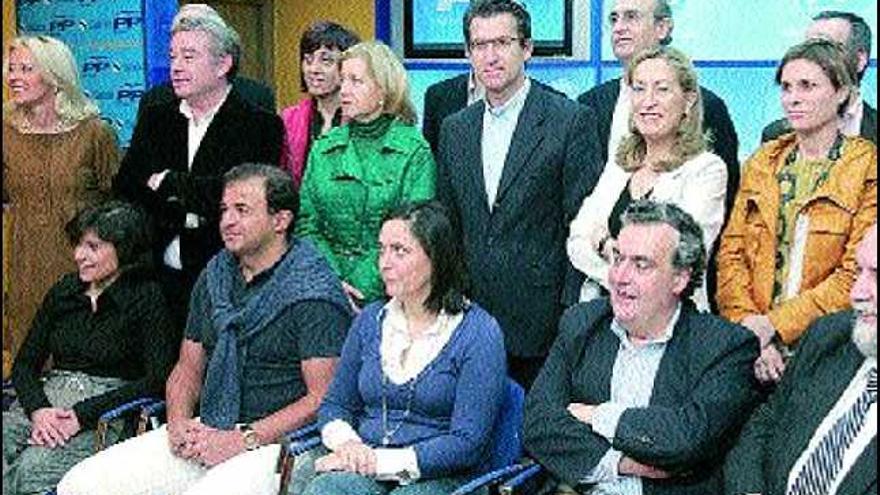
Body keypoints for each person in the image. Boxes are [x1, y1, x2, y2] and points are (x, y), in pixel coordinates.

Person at [58, 164, 352, 495]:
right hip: (211, 425)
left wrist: (243, 439)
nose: (227, 221)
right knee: (82, 484)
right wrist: (180, 422)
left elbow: (322, 398)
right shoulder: (215, 275)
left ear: (280, 220)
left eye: (242, 210)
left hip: (283, 443)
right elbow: (187, 368)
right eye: (224, 210)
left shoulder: (311, 292)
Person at [524, 201, 761, 494]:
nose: (620, 277)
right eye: (617, 258)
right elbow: (538, 422)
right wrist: (621, 462)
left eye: (641, 264)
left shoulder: (725, 348)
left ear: (680, 278)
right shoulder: (582, 324)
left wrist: (597, 416)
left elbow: (685, 438)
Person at [436, 0, 601, 390]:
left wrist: (571, 316)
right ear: (467, 53)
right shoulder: (455, 128)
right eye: (479, 45)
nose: (490, 56)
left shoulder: (570, 120)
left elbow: (580, 224)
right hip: (468, 316)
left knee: (532, 439)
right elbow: (447, 222)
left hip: (542, 325)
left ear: (526, 49)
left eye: (502, 43)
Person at [299, 200, 507, 495]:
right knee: (326, 489)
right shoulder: (370, 320)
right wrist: (349, 445)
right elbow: (336, 405)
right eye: (382, 249)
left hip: (444, 476)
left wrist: (377, 462)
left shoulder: (479, 332)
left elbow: (467, 443)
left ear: (437, 257)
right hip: (365, 464)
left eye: (400, 251)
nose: (384, 262)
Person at [113, 4, 284, 331]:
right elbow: (128, 187)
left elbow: (240, 199)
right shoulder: (157, 116)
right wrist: (196, 195)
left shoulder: (260, 125)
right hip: (159, 278)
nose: (176, 67)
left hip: (228, 278)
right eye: (173, 56)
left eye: (188, 57)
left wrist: (171, 184)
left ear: (223, 63)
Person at [716, 38, 877, 386]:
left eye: (808, 86)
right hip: (751, 348)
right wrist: (752, 332)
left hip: (830, 349)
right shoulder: (762, 161)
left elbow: (854, 273)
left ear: (841, 93)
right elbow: (731, 256)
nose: (793, 97)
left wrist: (775, 325)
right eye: (787, 87)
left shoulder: (867, 166)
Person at [3, 201, 177, 495]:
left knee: (30, 473)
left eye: (92, 247)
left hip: (105, 409)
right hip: (46, 400)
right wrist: (39, 410)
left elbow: (157, 379)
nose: (78, 256)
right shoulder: (64, 292)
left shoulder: (147, 298)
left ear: (123, 249)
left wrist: (81, 415)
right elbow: (24, 365)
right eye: (78, 246)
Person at [567, 46, 726, 311]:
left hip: (671, 324)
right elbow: (577, 241)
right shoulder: (620, 166)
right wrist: (622, 276)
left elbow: (679, 258)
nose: (648, 101)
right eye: (639, 89)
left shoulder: (706, 170)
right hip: (605, 318)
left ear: (688, 101)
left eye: (662, 89)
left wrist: (606, 244)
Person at [724, 225, 877, 495]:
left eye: (877, 275)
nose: (857, 293)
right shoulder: (831, 336)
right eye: (858, 271)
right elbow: (765, 423)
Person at [3, 35, 119, 369]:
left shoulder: (95, 133)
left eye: (26, 69)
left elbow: (119, 209)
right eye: (12, 69)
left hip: (85, 272)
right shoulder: (6, 134)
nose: (14, 77)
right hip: (26, 272)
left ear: (55, 76)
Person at [296, 41, 436, 308]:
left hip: (392, 295)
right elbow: (306, 224)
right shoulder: (323, 149)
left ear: (383, 90)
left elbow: (415, 230)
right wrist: (334, 281)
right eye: (343, 81)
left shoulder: (414, 151)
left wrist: (362, 286)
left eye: (355, 81)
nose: (344, 91)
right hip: (324, 292)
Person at [577, 0, 739, 212]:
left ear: (662, 28)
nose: (618, 28)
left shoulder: (707, 106)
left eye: (631, 17)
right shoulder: (589, 105)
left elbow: (727, 199)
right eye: (614, 19)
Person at [762, 11, 876, 144]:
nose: (812, 58)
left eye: (826, 47)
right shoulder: (775, 135)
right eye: (808, 48)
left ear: (859, 59)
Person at [279, 21, 360, 189]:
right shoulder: (288, 119)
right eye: (308, 60)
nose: (313, 69)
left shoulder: (363, 118)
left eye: (326, 61)